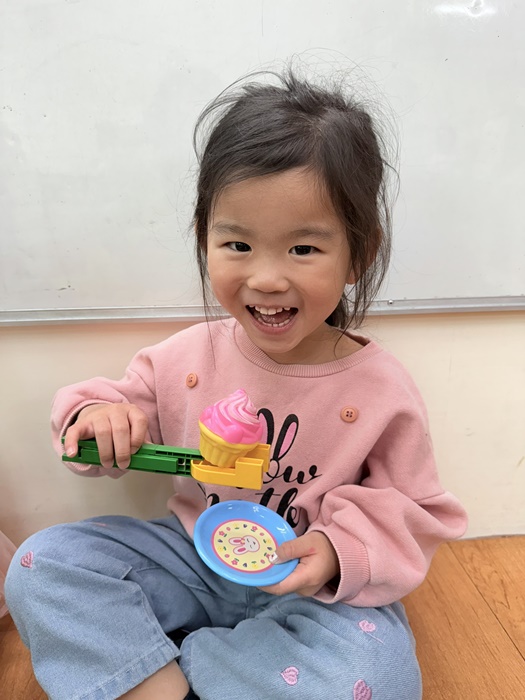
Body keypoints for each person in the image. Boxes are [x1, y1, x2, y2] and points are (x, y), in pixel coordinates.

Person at [5, 69, 467, 700]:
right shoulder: (189, 356)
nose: (267, 278)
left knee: (375, 676)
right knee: (42, 564)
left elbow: (415, 512)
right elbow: (109, 410)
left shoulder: (380, 388)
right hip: (192, 560)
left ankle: (179, 662)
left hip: (309, 593)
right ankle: (193, 678)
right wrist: (98, 416)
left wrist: (338, 552)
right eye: (238, 244)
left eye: (303, 249)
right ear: (205, 240)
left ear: (358, 254)